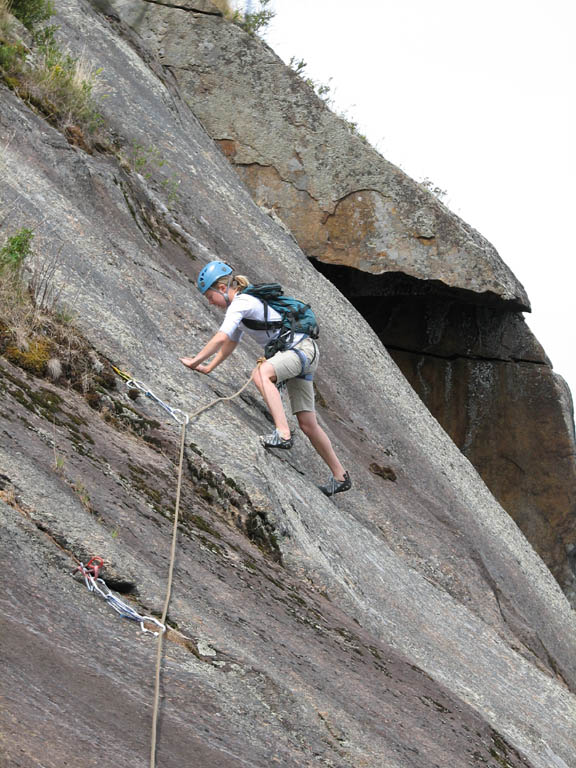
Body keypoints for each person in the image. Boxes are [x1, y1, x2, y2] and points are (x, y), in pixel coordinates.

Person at [180, 261, 352, 496]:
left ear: (222, 288)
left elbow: (221, 337)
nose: (210, 302)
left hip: (300, 351)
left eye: (210, 296)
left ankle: (283, 434)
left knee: (261, 373)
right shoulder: (246, 305)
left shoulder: (240, 302)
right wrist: (209, 367)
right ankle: (340, 476)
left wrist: (195, 361)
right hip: (303, 352)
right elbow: (231, 342)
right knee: (308, 423)